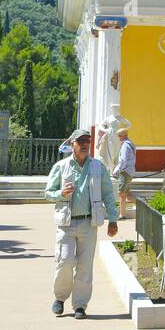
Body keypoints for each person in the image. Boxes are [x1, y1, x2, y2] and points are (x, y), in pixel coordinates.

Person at [44, 128, 119, 319]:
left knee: (85, 266)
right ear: (72, 144)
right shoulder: (61, 167)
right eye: (80, 141)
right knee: (65, 261)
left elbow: (108, 194)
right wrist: (61, 193)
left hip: (88, 222)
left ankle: (80, 305)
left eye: (87, 140)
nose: (85, 144)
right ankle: (59, 298)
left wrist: (113, 219)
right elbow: (47, 193)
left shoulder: (97, 167)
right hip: (66, 223)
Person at [115, 121, 138, 219]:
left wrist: (117, 170)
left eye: (119, 136)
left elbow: (123, 160)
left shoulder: (125, 145)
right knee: (127, 193)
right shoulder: (131, 144)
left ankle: (122, 215)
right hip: (130, 171)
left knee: (121, 193)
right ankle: (143, 205)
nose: (118, 138)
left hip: (126, 172)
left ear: (123, 136)